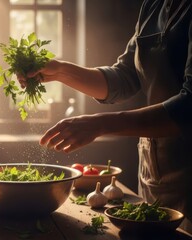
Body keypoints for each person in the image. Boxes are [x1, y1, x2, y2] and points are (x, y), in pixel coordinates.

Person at [18, 0, 192, 234]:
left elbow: (189, 106)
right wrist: (60, 71)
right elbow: (125, 76)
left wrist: (101, 124)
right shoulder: (153, 5)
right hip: (155, 165)